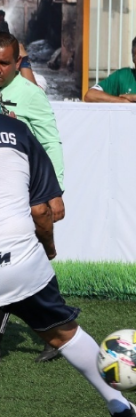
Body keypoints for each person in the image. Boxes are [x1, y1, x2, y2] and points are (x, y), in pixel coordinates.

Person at [0, 113, 136, 417]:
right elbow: (41, 211)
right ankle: (117, 404)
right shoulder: (18, 132)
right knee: (65, 333)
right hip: (21, 263)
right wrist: (48, 246)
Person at [0, 32, 67, 363]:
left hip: (25, 192)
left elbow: (50, 141)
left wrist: (56, 190)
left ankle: (58, 328)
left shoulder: (29, 95)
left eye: (3, 63)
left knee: (33, 261)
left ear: (17, 63)